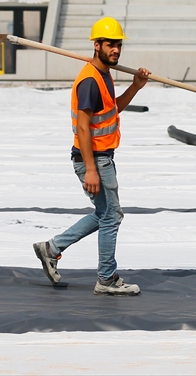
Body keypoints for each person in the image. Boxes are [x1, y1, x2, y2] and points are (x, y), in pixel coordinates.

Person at [34, 16, 150, 296]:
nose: (116, 50)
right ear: (96, 45)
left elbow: (111, 110)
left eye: (118, 45)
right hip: (94, 158)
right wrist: (91, 169)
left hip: (102, 157)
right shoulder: (89, 81)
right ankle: (106, 279)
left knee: (105, 214)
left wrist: (135, 86)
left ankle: (51, 248)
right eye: (110, 44)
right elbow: (83, 127)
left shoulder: (104, 75)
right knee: (111, 216)